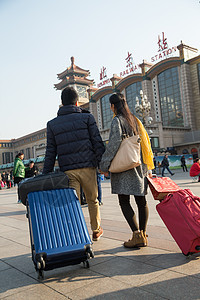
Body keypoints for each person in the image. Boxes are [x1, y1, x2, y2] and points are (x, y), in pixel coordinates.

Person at [43, 87, 105, 241]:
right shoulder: (87, 118)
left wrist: (46, 173)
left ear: (61, 103)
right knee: (92, 200)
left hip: (68, 171)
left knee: (72, 203)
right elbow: (97, 142)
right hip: (88, 168)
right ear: (77, 102)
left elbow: (51, 151)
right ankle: (96, 230)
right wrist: (102, 164)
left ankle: (77, 233)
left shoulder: (52, 124)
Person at [100, 93, 154, 248]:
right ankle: (142, 233)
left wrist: (104, 165)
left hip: (124, 166)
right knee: (141, 200)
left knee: (124, 200)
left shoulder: (117, 120)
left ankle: (137, 235)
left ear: (112, 106)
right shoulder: (135, 120)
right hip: (139, 164)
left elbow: (113, 145)